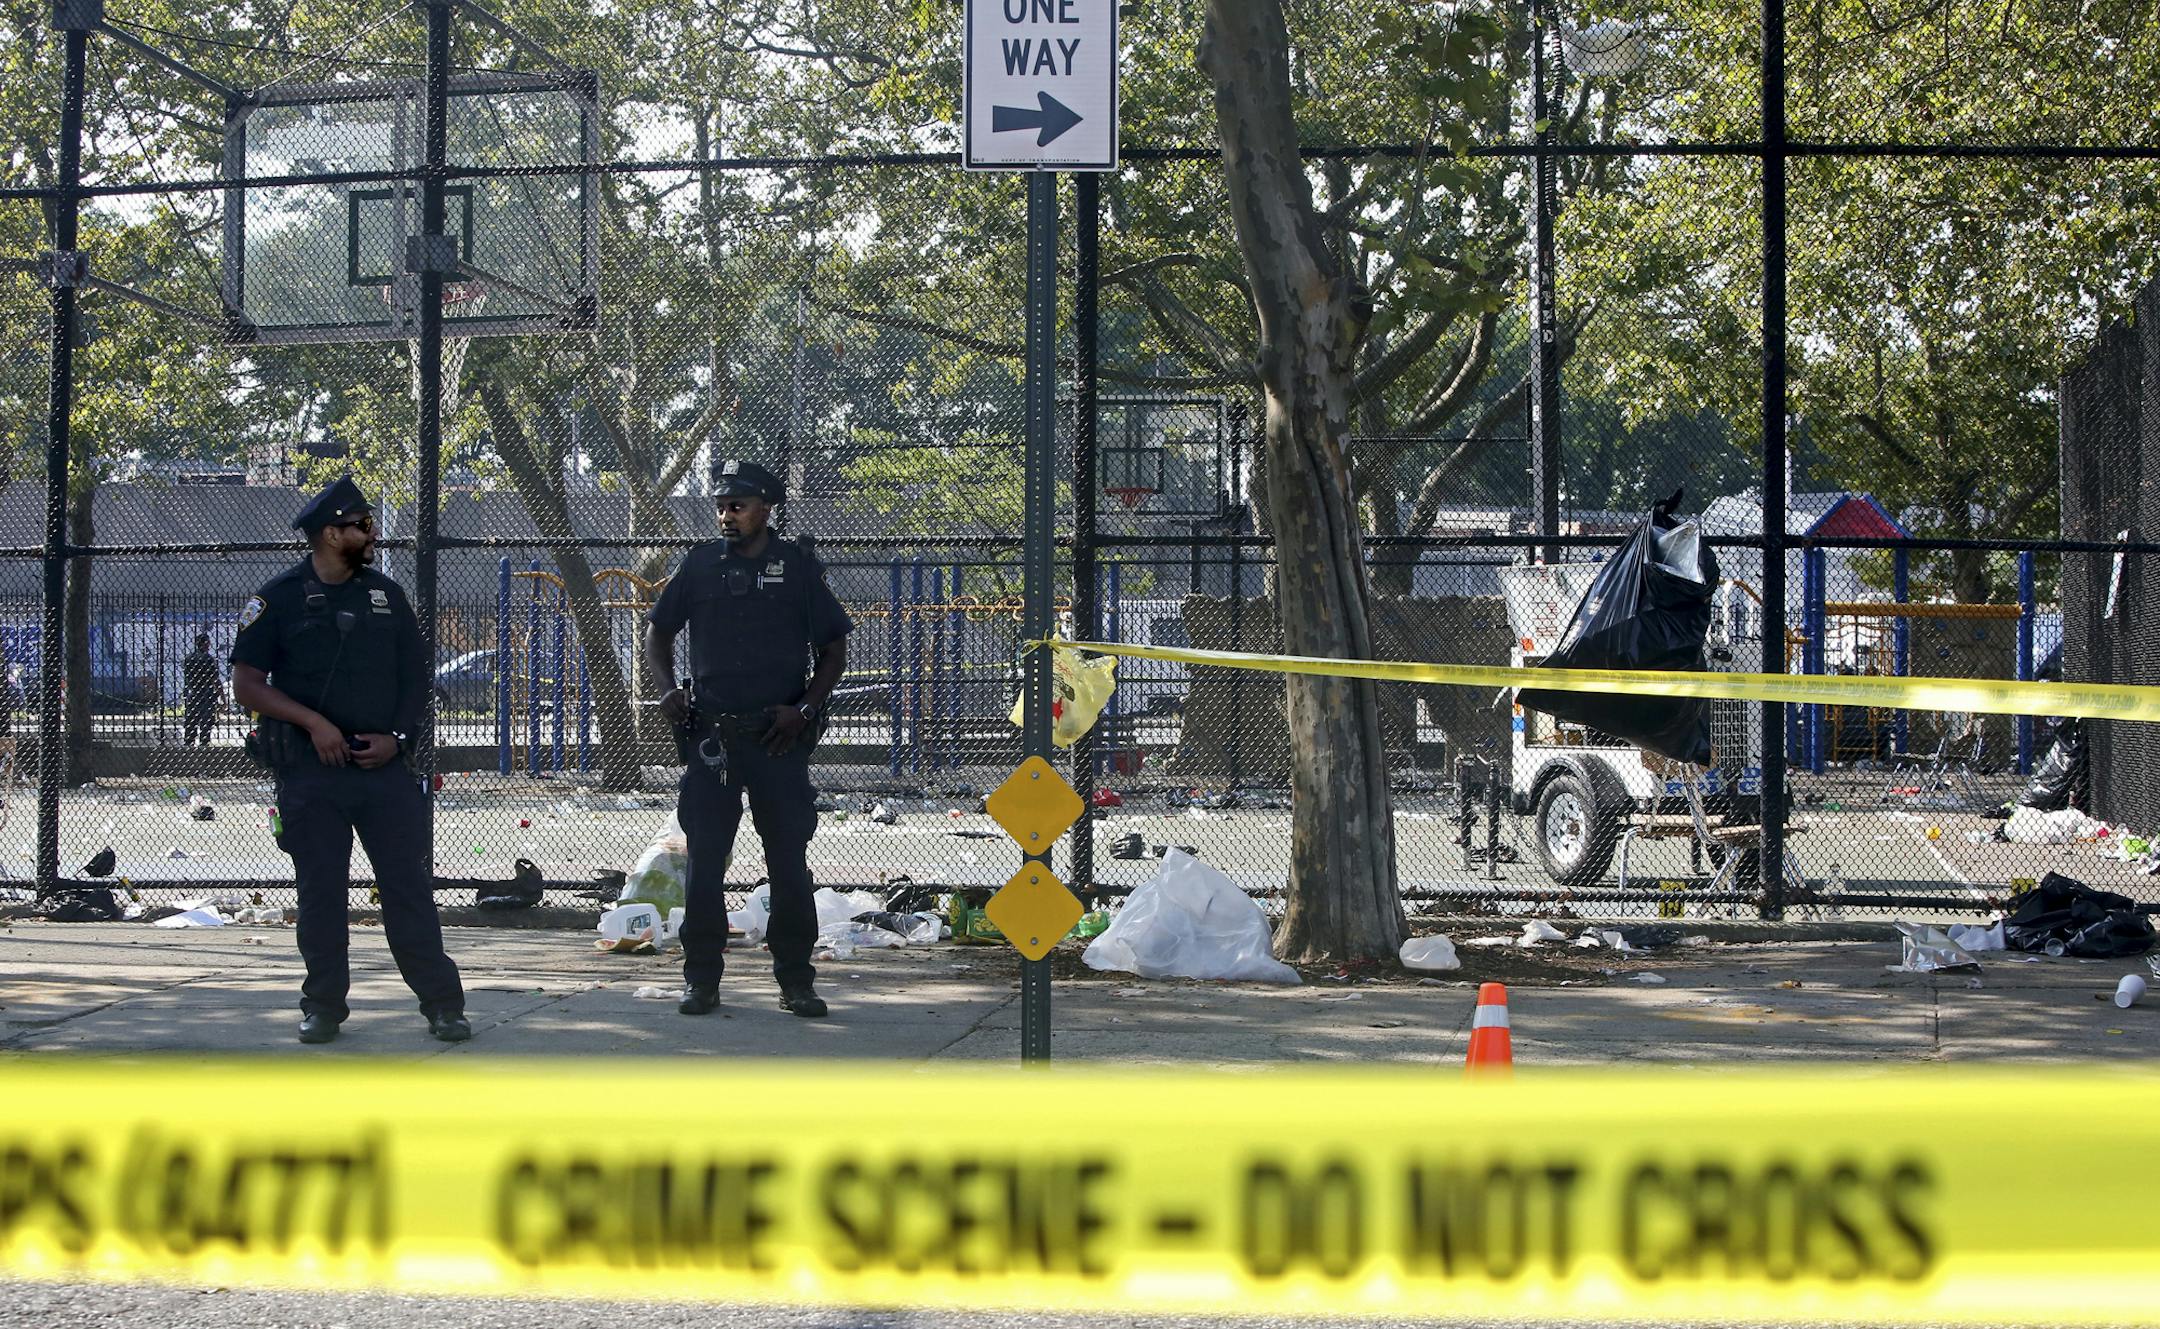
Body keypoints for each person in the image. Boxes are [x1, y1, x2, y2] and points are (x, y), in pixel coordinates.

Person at [230, 475, 468, 1046]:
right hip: (313, 774)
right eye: (360, 525)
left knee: (408, 889)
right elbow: (247, 684)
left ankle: (442, 1005)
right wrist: (313, 724)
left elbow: (416, 679)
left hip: (381, 770)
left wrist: (398, 737)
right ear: (330, 535)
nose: (371, 532)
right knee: (320, 894)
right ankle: (323, 1007)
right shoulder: (279, 598)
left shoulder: (386, 595)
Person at [643, 458, 851, 1019]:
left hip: (778, 740)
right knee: (706, 863)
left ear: (766, 509)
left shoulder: (797, 568)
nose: (726, 515)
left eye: (737, 505)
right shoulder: (701, 565)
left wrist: (806, 707)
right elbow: (658, 631)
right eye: (721, 506)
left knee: (787, 862)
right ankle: (702, 979)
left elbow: (834, 646)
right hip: (713, 739)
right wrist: (666, 692)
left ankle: (796, 980)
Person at [182, 632, 222, 747]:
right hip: (207, 693)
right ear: (205, 643)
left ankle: (188, 742)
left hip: (193, 692)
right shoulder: (209, 659)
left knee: (191, 720)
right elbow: (215, 679)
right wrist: (223, 698)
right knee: (206, 721)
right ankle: (204, 744)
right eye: (208, 642)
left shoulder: (188, 659)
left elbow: (187, 678)